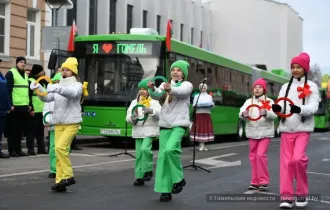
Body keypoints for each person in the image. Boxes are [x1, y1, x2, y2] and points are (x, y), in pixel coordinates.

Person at [30, 57, 88, 192]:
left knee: (61, 148)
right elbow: (46, 97)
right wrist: (38, 88)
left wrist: (57, 88)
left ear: (73, 72)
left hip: (72, 122)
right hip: (59, 122)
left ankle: (68, 176)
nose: (65, 72)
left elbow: (72, 94)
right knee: (57, 150)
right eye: (63, 69)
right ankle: (60, 180)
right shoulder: (58, 86)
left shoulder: (77, 85)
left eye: (67, 70)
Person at [271, 52, 319, 209]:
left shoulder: (311, 86)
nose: (295, 70)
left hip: (303, 129)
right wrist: (276, 108)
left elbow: (313, 107)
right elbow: (281, 105)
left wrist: (298, 108)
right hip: (286, 128)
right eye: (293, 67)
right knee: (286, 164)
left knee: (297, 159)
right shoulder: (285, 87)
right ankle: (286, 197)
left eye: (299, 67)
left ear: (305, 69)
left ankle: (302, 194)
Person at [147, 60, 193, 202]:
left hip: (179, 124)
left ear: (183, 74)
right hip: (165, 124)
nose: (175, 72)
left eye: (179, 70)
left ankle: (179, 179)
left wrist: (170, 89)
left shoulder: (187, 85)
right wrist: (152, 88)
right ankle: (165, 191)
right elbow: (156, 96)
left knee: (170, 150)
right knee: (162, 158)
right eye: (173, 70)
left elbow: (181, 93)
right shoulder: (164, 84)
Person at [239, 78, 277, 191]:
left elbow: (275, 115)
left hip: (265, 133)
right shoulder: (248, 102)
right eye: (255, 87)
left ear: (264, 90)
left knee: (260, 155)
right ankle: (255, 182)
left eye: (259, 87)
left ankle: (264, 181)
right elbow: (241, 113)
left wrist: (266, 113)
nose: (257, 89)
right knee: (253, 157)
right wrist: (243, 114)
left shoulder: (269, 101)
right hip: (252, 132)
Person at [126, 78, 161, 186]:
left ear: (149, 90)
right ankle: (139, 177)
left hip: (150, 130)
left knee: (145, 149)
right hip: (138, 131)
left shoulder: (154, 101)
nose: (142, 91)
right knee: (139, 154)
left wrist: (151, 111)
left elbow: (160, 115)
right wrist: (132, 118)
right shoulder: (134, 102)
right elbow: (127, 117)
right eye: (140, 89)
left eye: (144, 89)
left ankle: (148, 170)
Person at [43, 72, 72, 178]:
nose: (57, 84)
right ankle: (53, 169)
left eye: (59, 82)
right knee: (53, 148)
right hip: (54, 125)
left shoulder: (68, 94)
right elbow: (46, 108)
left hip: (65, 125)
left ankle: (63, 168)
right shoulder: (51, 94)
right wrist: (47, 120)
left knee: (63, 148)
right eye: (55, 82)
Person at [5, 57, 31, 157]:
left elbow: (26, 91)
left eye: (24, 62)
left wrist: (29, 104)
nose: (23, 64)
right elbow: (8, 90)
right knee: (13, 130)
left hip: (23, 106)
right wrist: (10, 104)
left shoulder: (25, 75)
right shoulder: (11, 73)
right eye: (21, 62)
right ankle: (11, 150)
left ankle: (18, 149)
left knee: (20, 130)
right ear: (16, 63)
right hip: (15, 107)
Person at [26, 64, 48, 155]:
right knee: (31, 131)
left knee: (40, 130)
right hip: (34, 109)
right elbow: (28, 96)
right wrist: (31, 108)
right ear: (37, 72)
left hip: (42, 109)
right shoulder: (31, 81)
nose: (43, 72)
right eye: (41, 71)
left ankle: (41, 148)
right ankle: (31, 149)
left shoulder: (43, 81)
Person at [189, 83, 215, 151]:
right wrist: (198, 105)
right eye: (202, 87)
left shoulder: (209, 96)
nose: (203, 89)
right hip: (199, 114)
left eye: (204, 87)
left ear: (206, 88)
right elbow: (194, 105)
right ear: (200, 88)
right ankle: (201, 145)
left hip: (206, 113)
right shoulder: (196, 96)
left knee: (205, 129)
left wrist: (211, 105)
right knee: (200, 129)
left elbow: (212, 104)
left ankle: (204, 145)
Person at [0, 59, 10, 158]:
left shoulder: (2, 75)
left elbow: (5, 92)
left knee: (0, 132)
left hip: (2, 108)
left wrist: (8, 105)